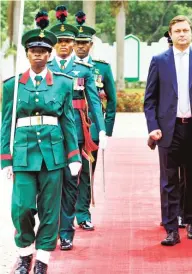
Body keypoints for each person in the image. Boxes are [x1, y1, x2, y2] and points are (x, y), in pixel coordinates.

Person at [0, 11, 81, 274]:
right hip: (23, 154)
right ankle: (24, 254)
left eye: (43, 51)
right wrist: (4, 158)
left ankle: (42, 259)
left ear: (50, 54)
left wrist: (74, 156)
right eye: (33, 50)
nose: (38, 55)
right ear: (27, 54)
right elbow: (5, 124)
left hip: (53, 155)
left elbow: (68, 121)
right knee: (22, 208)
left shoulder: (62, 84)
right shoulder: (13, 85)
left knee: (49, 210)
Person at [143, 15, 192, 246]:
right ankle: (171, 228)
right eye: (177, 31)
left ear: (191, 33)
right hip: (168, 130)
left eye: (185, 30)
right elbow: (150, 100)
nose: (182, 34)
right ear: (170, 35)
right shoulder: (159, 60)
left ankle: (191, 222)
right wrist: (153, 127)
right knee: (169, 180)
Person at [48, 5, 106, 251]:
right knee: (50, 184)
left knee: (72, 182)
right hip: (51, 134)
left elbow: (94, 100)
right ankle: (50, 228)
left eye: (67, 41)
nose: (63, 45)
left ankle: (66, 230)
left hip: (76, 134)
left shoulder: (83, 70)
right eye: (59, 41)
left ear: (73, 44)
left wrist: (101, 129)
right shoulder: (46, 67)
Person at [73, 10, 117, 231]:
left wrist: (105, 131)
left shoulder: (102, 68)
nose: (80, 47)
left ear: (91, 45)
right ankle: (66, 213)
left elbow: (111, 101)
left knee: (87, 173)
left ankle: (82, 213)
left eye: (84, 43)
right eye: (77, 43)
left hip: (91, 130)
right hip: (70, 128)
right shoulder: (64, 67)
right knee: (68, 173)